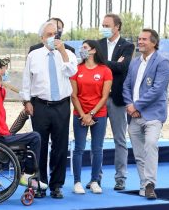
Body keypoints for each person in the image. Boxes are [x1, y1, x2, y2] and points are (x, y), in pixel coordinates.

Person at [21, 21, 78, 198]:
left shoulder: (68, 53)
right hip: (40, 106)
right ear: (42, 38)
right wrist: (26, 101)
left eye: (55, 34)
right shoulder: (34, 55)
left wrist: (61, 52)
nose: (53, 37)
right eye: (49, 34)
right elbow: (26, 80)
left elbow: (71, 72)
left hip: (61, 105)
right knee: (40, 145)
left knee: (60, 147)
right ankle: (39, 184)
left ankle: (56, 185)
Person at [0, 56, 47, 190]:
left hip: (2, 133)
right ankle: (28, 174)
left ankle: (23, 172)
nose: (6, 69)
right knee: (35, 137)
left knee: (22, 124)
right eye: (4, 67)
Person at [87, 13, 134, 191]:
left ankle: (120, 178)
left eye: (107, 25)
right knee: (96, 141)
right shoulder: (97, 44)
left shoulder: (127, 46)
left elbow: (123, 67)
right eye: (103, 25)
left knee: (120, 140)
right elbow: (93, 66)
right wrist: (112, 63)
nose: (104, 28)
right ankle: (95, 178)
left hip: (117, 100)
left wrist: (103, 62)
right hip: (98, 99)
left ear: (117, 27)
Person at [123, 29, 169, 199]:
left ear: (154, 43)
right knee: (138, 154)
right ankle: (144, 184)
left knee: (150, 144)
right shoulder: (134, 62)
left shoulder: (162, 62)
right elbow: (126, 86)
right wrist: (129, 105)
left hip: (153, 114)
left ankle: (150, 184)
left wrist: (136, 106)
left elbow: (157, 90)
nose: (140, 42)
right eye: (139, 39)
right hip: (133, 115)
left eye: (144, 39)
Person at [70, 40, 112, 194]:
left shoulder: (105, 70)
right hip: (79, 114)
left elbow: (104, 96)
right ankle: (77, 182)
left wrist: (92, 114)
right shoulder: (76, 69)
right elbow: (73, 95)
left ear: (94, 50)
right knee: (79, 149)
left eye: (85, 48)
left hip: (98, 114)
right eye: (82, 47)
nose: (82, 50)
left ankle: (95, 180)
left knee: (97, 148)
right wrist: (83, 115)